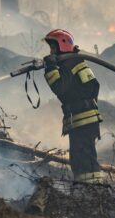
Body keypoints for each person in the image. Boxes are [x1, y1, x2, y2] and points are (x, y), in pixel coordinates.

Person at [43, 29, 105, 184]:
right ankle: (86, 189)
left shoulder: (72, 64)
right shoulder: (75, 63)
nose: (51, 52)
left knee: (84, 160)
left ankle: (92, 191)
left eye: (53, 48)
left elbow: (59, 87)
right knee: (79, 159)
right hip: (82, 120)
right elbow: (93, 88)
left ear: (62, 46)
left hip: (83, 120)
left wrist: (50, 68)